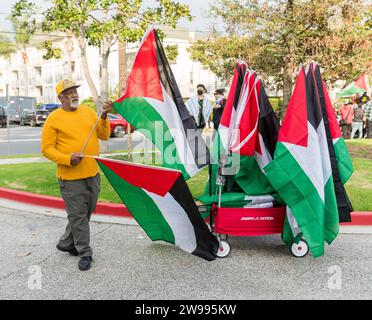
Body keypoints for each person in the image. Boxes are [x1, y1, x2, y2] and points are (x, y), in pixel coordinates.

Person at [41, 79, 112, 271]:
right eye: (69, 92)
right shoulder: (53, 118)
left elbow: (104, 135)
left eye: (75, 91)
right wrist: (67, 159)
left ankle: (65, 242)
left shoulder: (88, 112)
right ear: (60, 97)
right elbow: (46, 149)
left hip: (92, 173)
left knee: (82, 214)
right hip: (70, 178)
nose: (74, 94)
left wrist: (104, 116)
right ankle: (85, 252)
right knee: (79, 216)